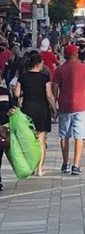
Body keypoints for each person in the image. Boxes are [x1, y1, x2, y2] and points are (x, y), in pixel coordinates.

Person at [14, 53, 57, 176]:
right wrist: (54, 109)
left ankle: (31, 167)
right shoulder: (44, 77)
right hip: (42, 110)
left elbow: (17, 93)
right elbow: (49, 95)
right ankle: (40, 169)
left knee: (29, 140)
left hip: (27, 110)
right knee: (41, 141)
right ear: (38, 64)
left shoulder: (23, 77)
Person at [52, 45, 85, 175]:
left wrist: (53, 106)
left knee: (64, 136)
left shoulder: (59, 70)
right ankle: (76, 165)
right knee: (79, 136)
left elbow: (54, 89)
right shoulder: (83, 68)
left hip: (64, 106)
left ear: (64, 55)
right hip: (81, 106)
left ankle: (66, 163)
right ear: (76, 54)